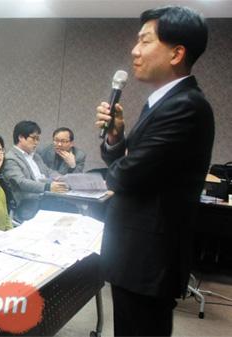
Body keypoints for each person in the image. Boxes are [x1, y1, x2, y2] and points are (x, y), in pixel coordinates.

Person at [94, 6, 214, 336]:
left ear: (177, 53)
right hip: (137, 255)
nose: (134, 51)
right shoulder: (160, 102)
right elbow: (128, 167)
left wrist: (122, 167)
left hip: (149, 260)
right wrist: (117, 138)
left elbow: (126, 175)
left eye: (145, 41)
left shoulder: (186, 106)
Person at [3, 121, 68, 221]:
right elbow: (21, 182)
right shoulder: (11, 158)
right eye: (34, 138)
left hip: (44, 198)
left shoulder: (35, 156)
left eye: (38, 139)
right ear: (21, 137)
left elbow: (48, 171)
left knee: (70, 209)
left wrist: (61, 178)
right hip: (28, 203)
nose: (37, 142)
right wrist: (48, 187)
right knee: (65, 212)